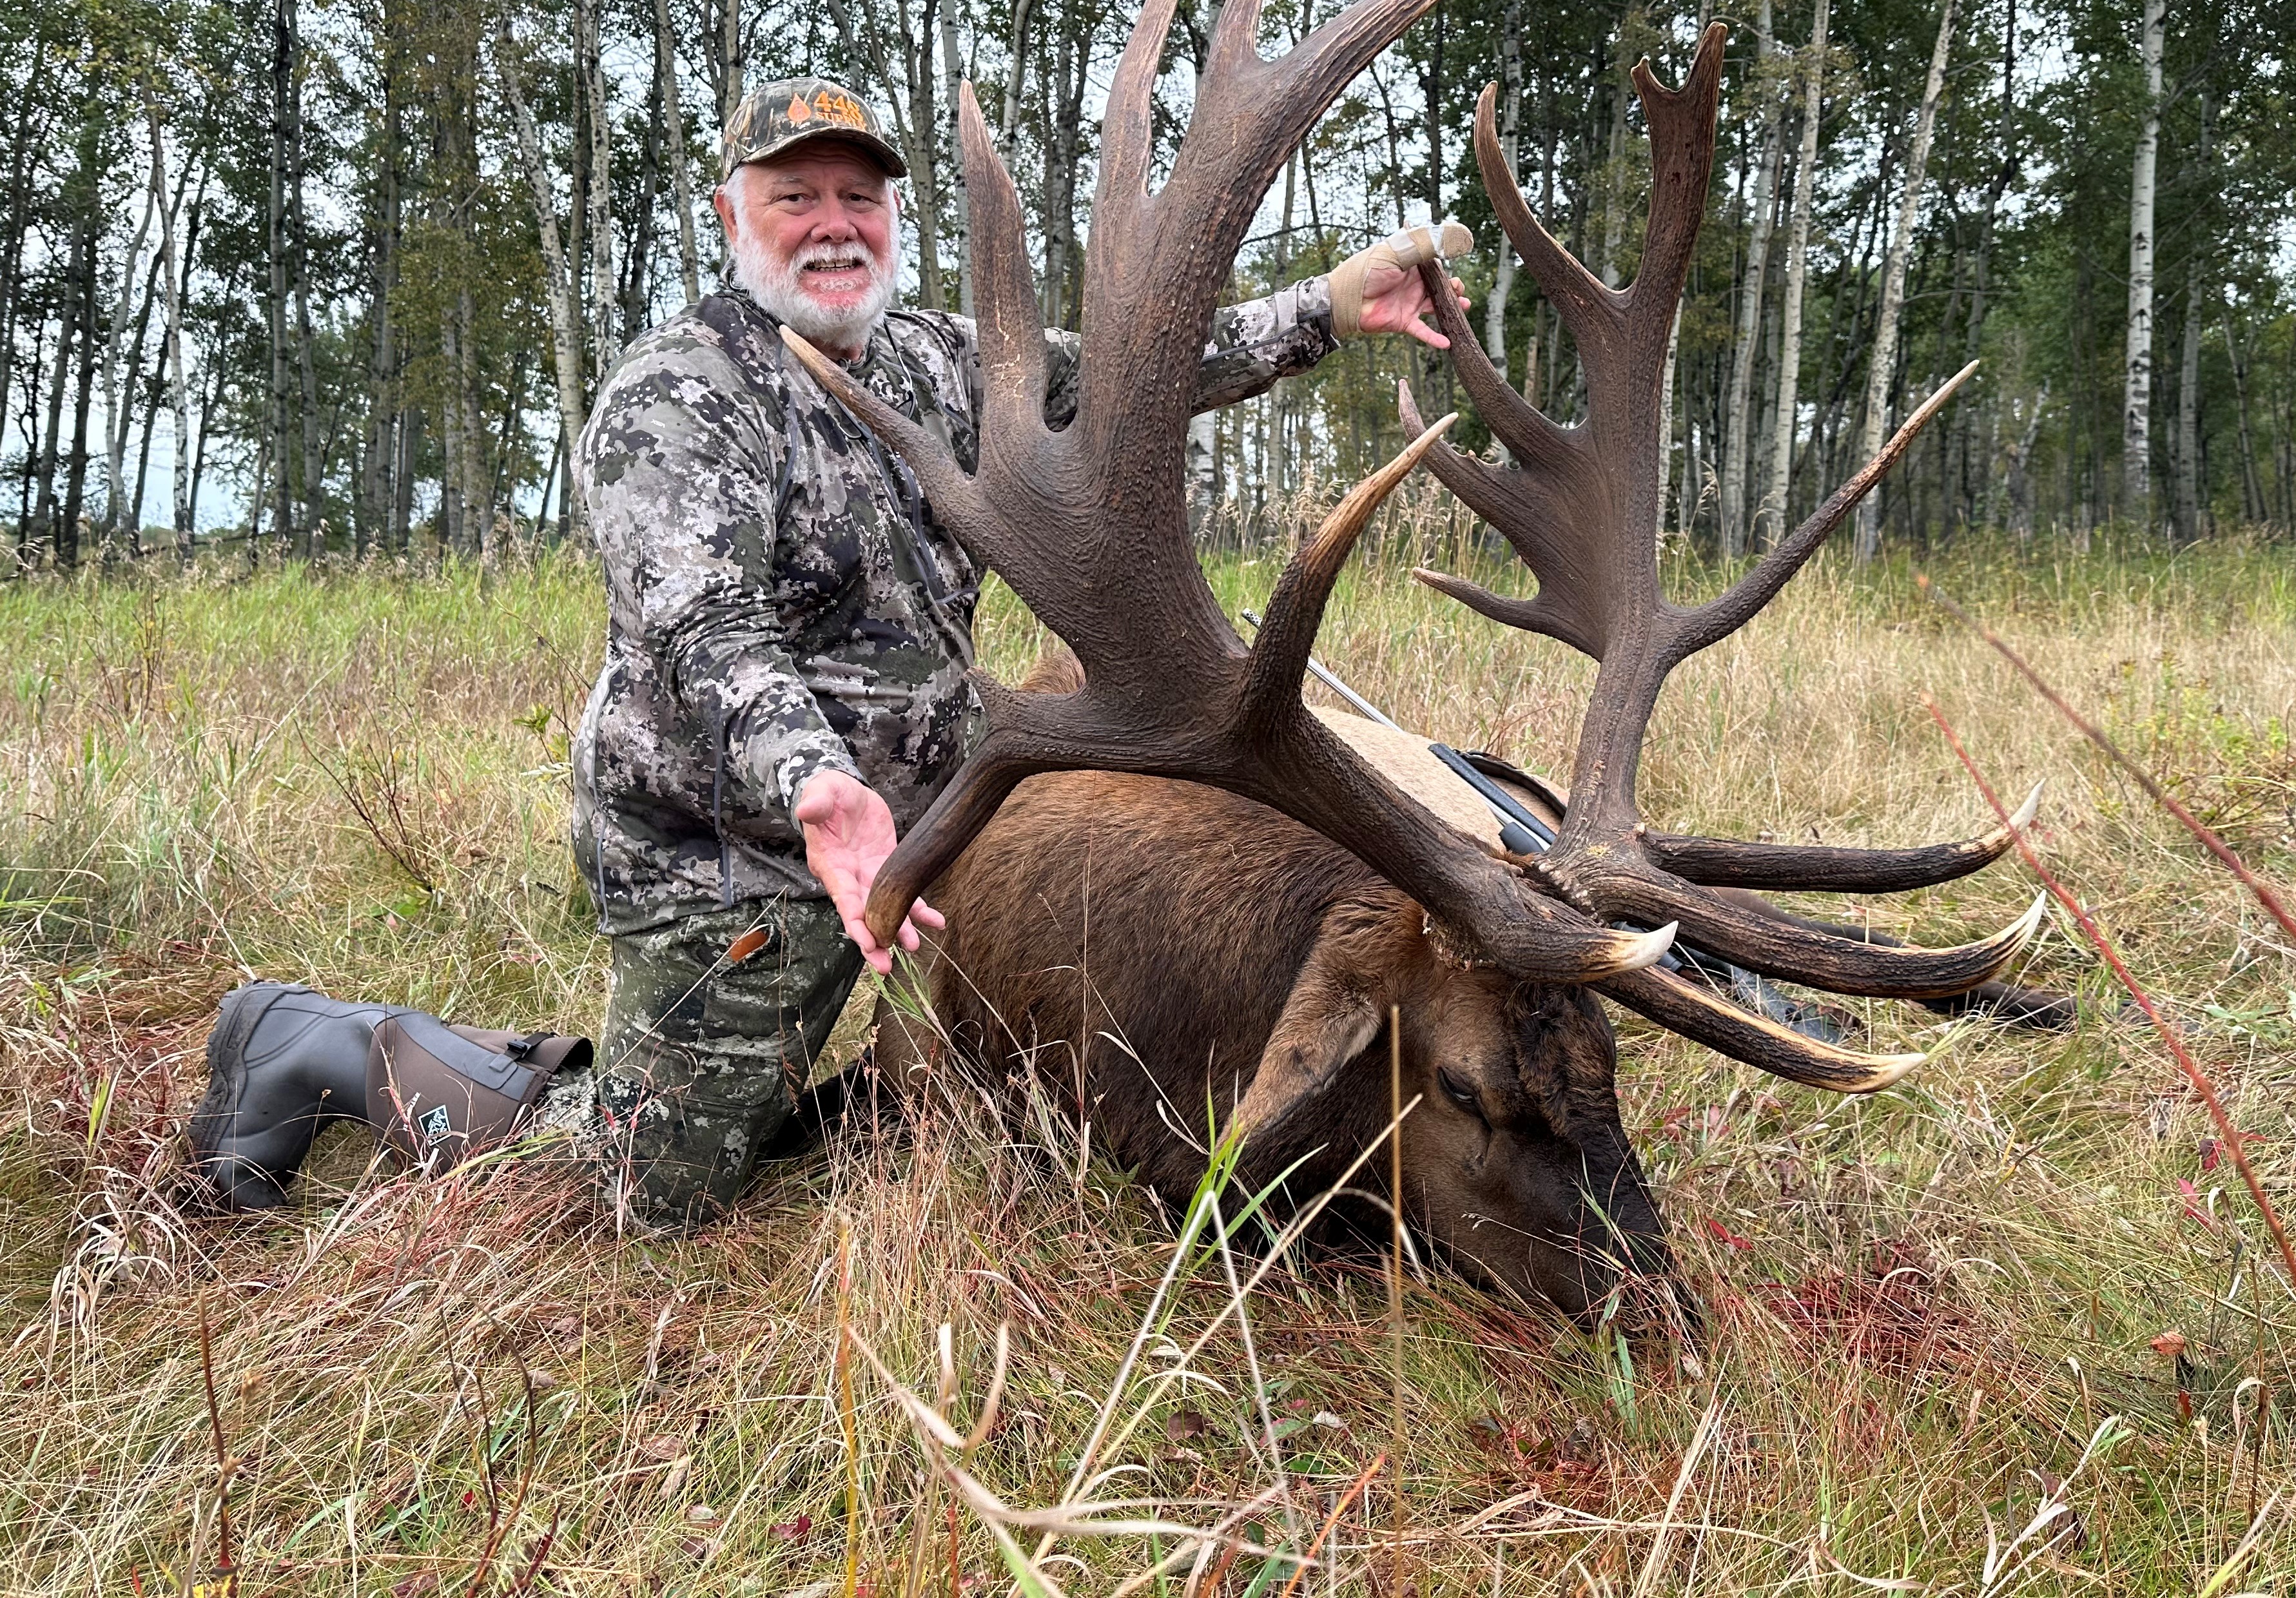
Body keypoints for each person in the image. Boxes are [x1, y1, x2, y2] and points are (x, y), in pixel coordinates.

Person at [186, 75, 1473, 1230]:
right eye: (793, 195)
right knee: (651, 1185)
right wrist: (818, 788)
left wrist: (1327, 309)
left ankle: (774, 1086)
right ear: (728, 213)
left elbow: (1133, 378)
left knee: (975, 1105)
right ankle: (320, 1045)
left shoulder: (932, 362)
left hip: (918, 835)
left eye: (858, 196)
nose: (832, 222)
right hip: (738, 853)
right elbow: (703, 625)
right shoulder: (680, 394)